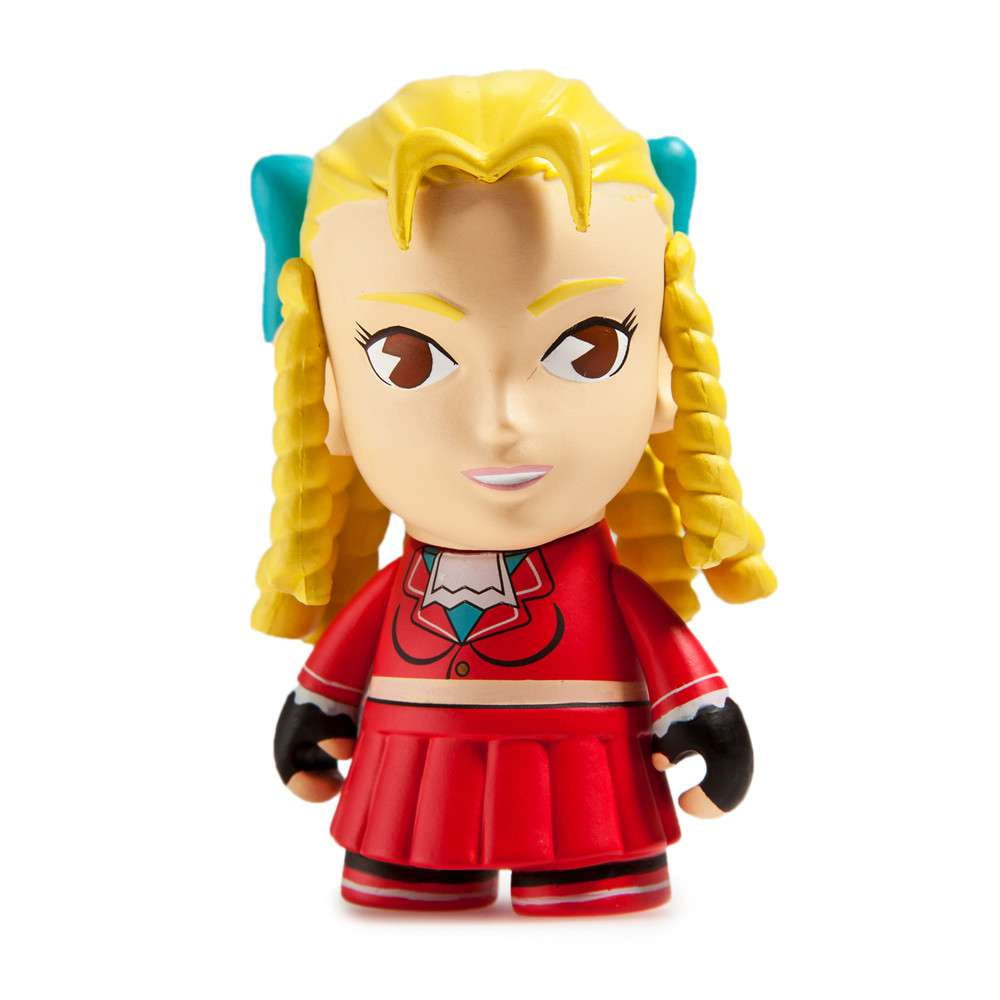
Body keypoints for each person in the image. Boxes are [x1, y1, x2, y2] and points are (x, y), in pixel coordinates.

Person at [252, 70, 776, 916]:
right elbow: (348, 651)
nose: (501, 421)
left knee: (591, 880)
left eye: (589, 347)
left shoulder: (602, 588)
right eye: (407, 358)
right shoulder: (402, 581)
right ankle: (418, 871)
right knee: (407, 874)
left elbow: (660, 645)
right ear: (330, 396)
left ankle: (582, 875)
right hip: (409, 792)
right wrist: (315, 708)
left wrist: (704, 718)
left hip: (590, 790)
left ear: (662, 378)